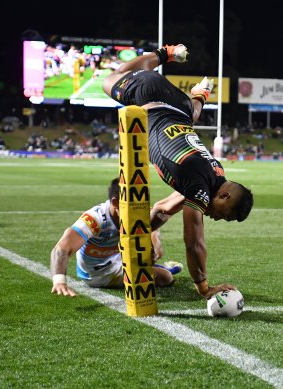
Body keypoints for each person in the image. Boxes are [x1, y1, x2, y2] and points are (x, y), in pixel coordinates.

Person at [102, 44, 254, 299]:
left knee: (192, 113)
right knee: (110, 78)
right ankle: (163, 54)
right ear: (224, 196)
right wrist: (204, 288)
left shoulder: (216, 172)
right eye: (223, 215)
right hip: (148, 96)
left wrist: (135, 238)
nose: (216, 219)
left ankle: (200, 93)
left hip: (182, 108)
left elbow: (163, 209)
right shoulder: (199, 188)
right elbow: (194, 242)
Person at [50, 178, 182, 297]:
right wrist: (59, 281)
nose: (138, 210)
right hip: (99, 273)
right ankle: (163, 269)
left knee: (147, 258)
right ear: (115, 203)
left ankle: (154, 267)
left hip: (117, 256)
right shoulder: (95, 219)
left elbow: (153, 226)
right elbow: (61, 249)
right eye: (133, 204)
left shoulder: (136, 208)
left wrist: (154, 245)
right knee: (165, 278)